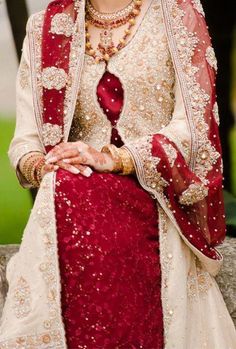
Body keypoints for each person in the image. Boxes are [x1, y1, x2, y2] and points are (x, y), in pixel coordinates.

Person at [0, 0, 235, 347]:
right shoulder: (46, 27)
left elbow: (195, 130)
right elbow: (25, 144)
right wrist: (44, 164)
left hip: (157, 195)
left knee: (69, 190)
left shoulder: (177, 15)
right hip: (74, 197)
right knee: (64, 186)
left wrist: (117, 158)